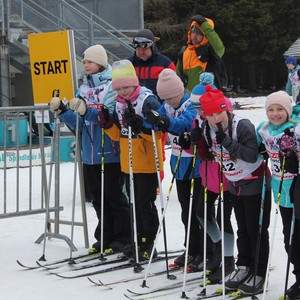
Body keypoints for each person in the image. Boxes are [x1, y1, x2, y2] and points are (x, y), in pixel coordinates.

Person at [75, 59, 163, 260]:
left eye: (126, 87)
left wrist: (141, 126)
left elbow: (158, 134)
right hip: (129, 162)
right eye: (119, 88)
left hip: (147, 163)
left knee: (144, 206)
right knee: (134, 206)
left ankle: (148, 243)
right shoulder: (120, 103)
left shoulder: (147, 99)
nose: (122, 91)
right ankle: (137, 240)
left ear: (134, 83)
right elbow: (119, 135)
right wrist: (107, 125)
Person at [49, 44, 131, 253]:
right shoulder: (83, 88)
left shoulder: (112, 85)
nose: (85, 65)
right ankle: (105, 236)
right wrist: (63, 111)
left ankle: (124, 237)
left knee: (114, 195)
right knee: (97, 198)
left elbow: (110, 117)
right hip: (89, 153)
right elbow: (78, 123)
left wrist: (88, 112)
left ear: (101, 63)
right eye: (84, 61)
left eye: (90, 61)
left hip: (110, 150)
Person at [198, 85, 271, 295]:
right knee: (242, 230)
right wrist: (198, 143)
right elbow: (211, 155)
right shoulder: (207, 128)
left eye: (219, 113)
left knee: (255, 230)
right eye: (210, 115)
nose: (215, 119)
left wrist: (228, 143)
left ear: (227, 110)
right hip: (234, 184)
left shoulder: (242, 125)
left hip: (255, 183)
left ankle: (259, 271)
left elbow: (251, 155)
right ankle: (244, 266)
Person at [144, 69, 214, 269]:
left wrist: (164, 121)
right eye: (165, 98)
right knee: (186, 212)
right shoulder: (167, 105)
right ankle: (191, 249)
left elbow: (184, 124)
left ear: (180, 91)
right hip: (179, 165)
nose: (169, 102)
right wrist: (151, 120)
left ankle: (207, 251)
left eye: (172, 97)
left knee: (201, 212)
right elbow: (160, 126)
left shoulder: (191, 104)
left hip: (197, 166)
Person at [183, 72, 235, 282]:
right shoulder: (199, 120)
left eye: (200, 108)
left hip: (228, 174)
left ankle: (228, 259)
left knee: (224, 217)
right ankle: (218, 248)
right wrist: (193, 142)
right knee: (201, 213)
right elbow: (195, 150)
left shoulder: (224, 115)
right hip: (207, 174)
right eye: (196, 109)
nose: (199, 113)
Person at [257, 91, 300, 299]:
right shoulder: (264, 130)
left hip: (297, 189)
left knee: (297, 239)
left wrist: (295, 160)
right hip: (280, 191)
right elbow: (257, 148)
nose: (275, 114)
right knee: (289, 240)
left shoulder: (295, 129)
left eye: (280, 109)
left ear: (288, 111)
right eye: (271, 110)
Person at [176, 14, 225, 92]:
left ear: (205, 36)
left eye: (199, 33)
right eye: (193, 32)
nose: (194, 36)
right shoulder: (183, 51)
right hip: (188, 99)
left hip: (208, 97)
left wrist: (204, 24)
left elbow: (219, 48)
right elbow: (178, 72)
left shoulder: (210, 51)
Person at [128, 29, 176, 104]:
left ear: (152, 47)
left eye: (144, 50)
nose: (140, 52)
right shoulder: (129, 64)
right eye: (138, 49)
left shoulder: (165, 63)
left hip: (160, 105)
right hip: (135, 105)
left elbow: (174, 86)